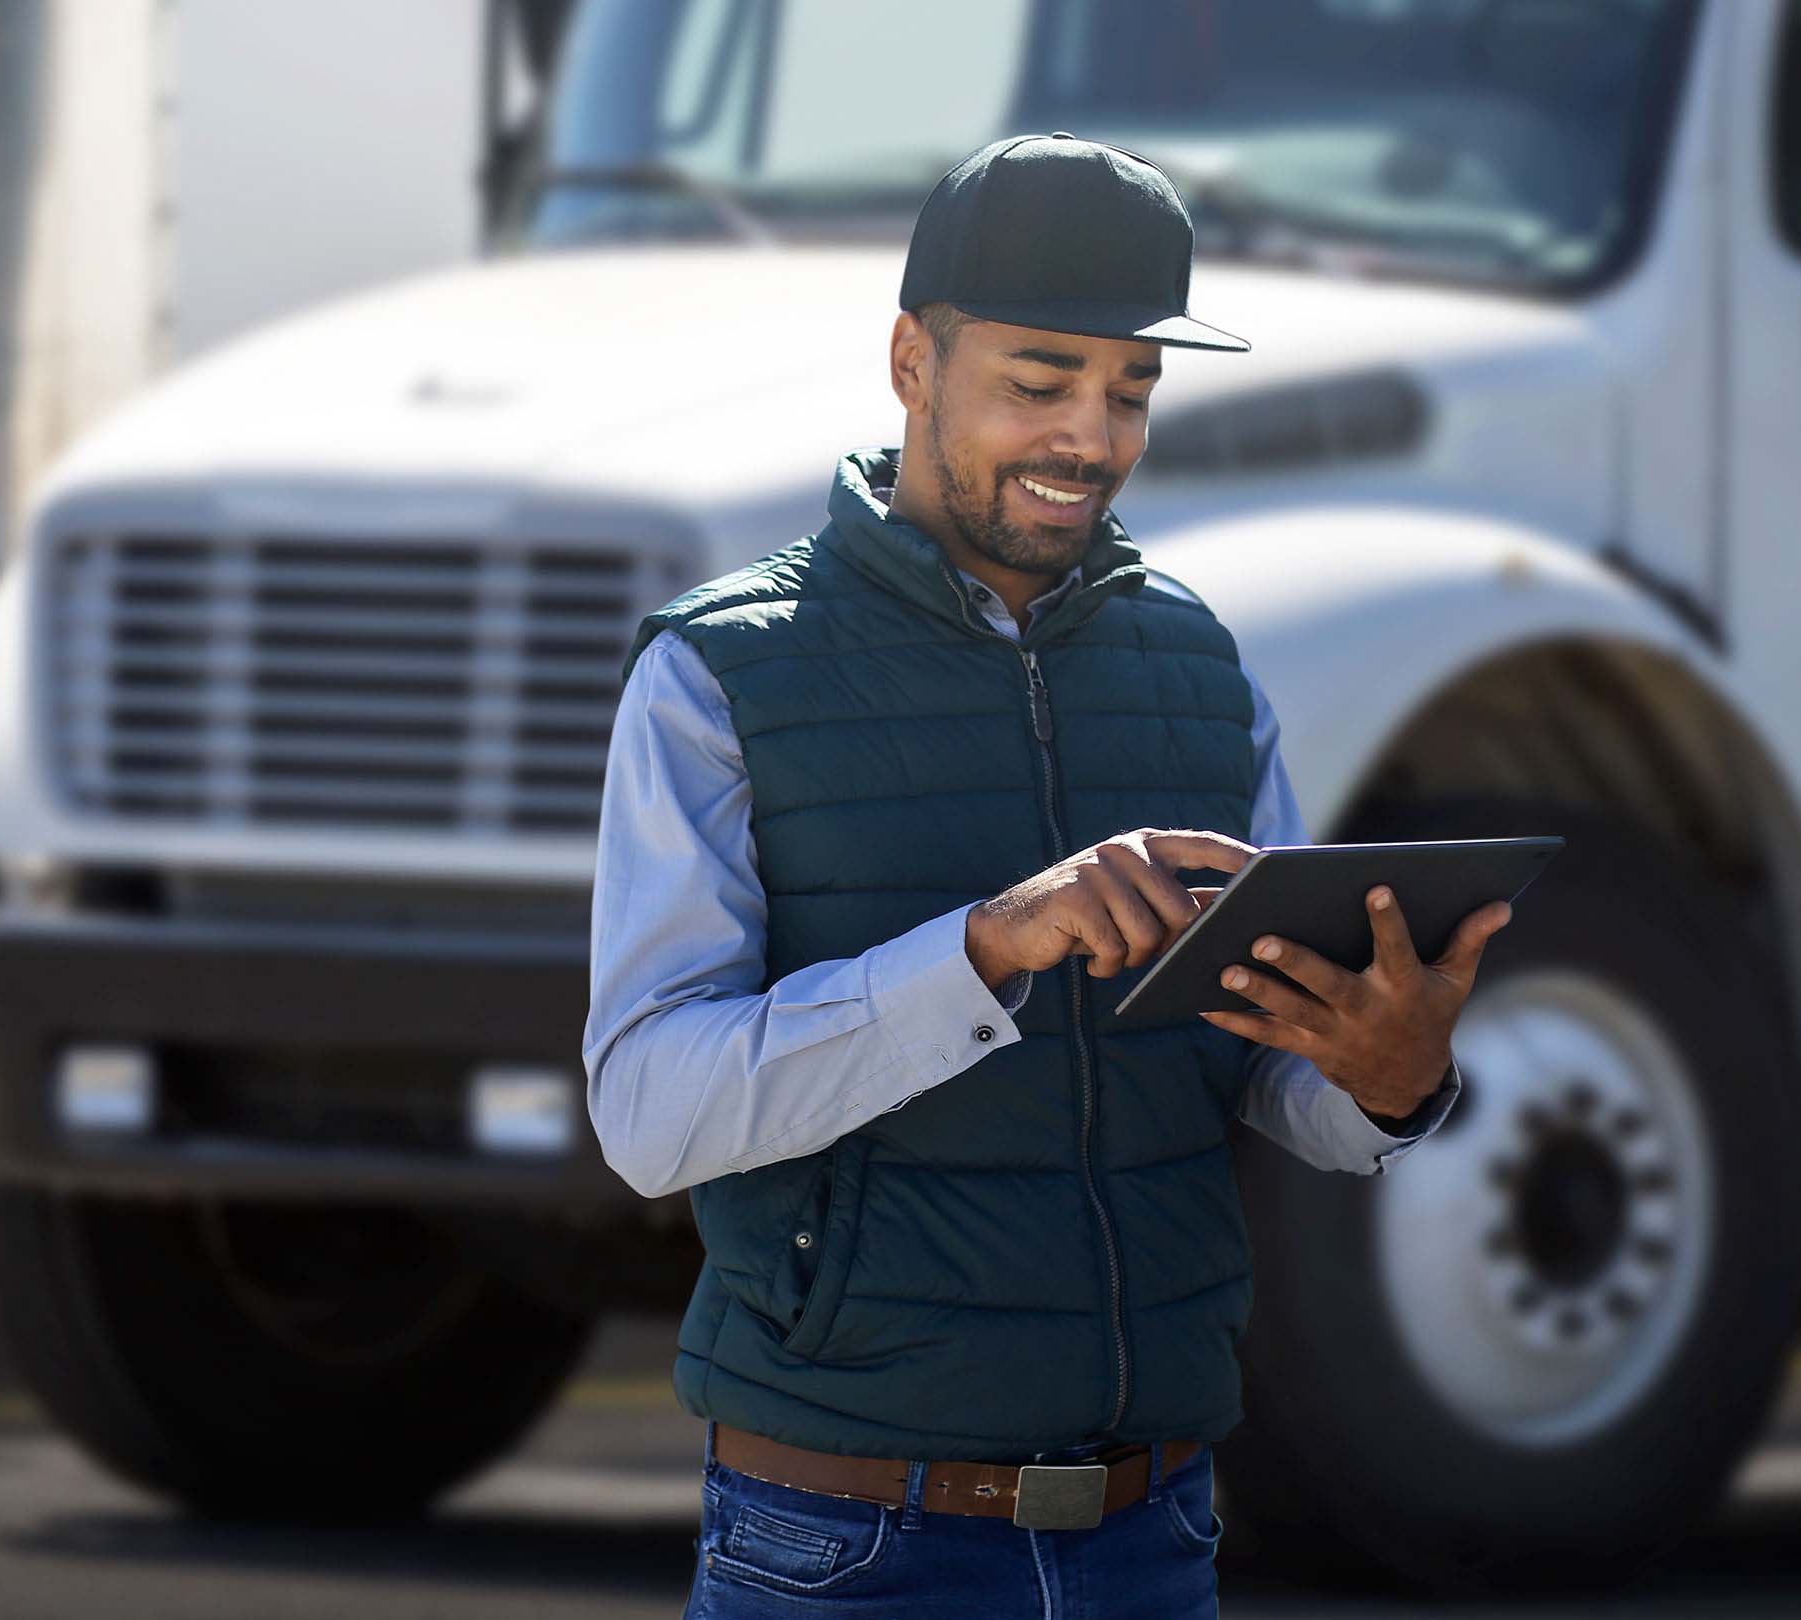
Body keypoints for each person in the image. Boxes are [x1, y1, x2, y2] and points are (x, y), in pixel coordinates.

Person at [582, 133, 1515, 1619]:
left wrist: (1389, 1080)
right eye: (1040, 380)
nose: (1091, 434)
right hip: (839, 1550)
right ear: (911, 358)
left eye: (1131, 389)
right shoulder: (718, 675)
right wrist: (989, 947)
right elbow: (649, 1112)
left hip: (1154, 1541)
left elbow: (1274, 1084)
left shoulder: (1205, 673)